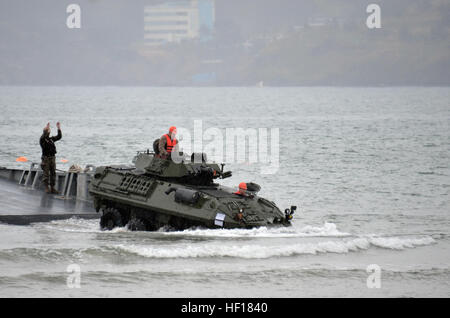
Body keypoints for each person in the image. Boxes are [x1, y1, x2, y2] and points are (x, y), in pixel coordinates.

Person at [39, 122, 62, 193]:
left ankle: (52, 187)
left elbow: (59, 136)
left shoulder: (51, 139)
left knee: (53, 173)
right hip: (46, 158)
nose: (49, 131)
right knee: (46, 174)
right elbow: (44, 135)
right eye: (48, 131)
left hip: (52, 158)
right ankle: (46, 187)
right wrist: (47, 128)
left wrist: (58, 128)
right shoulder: (42, 140)